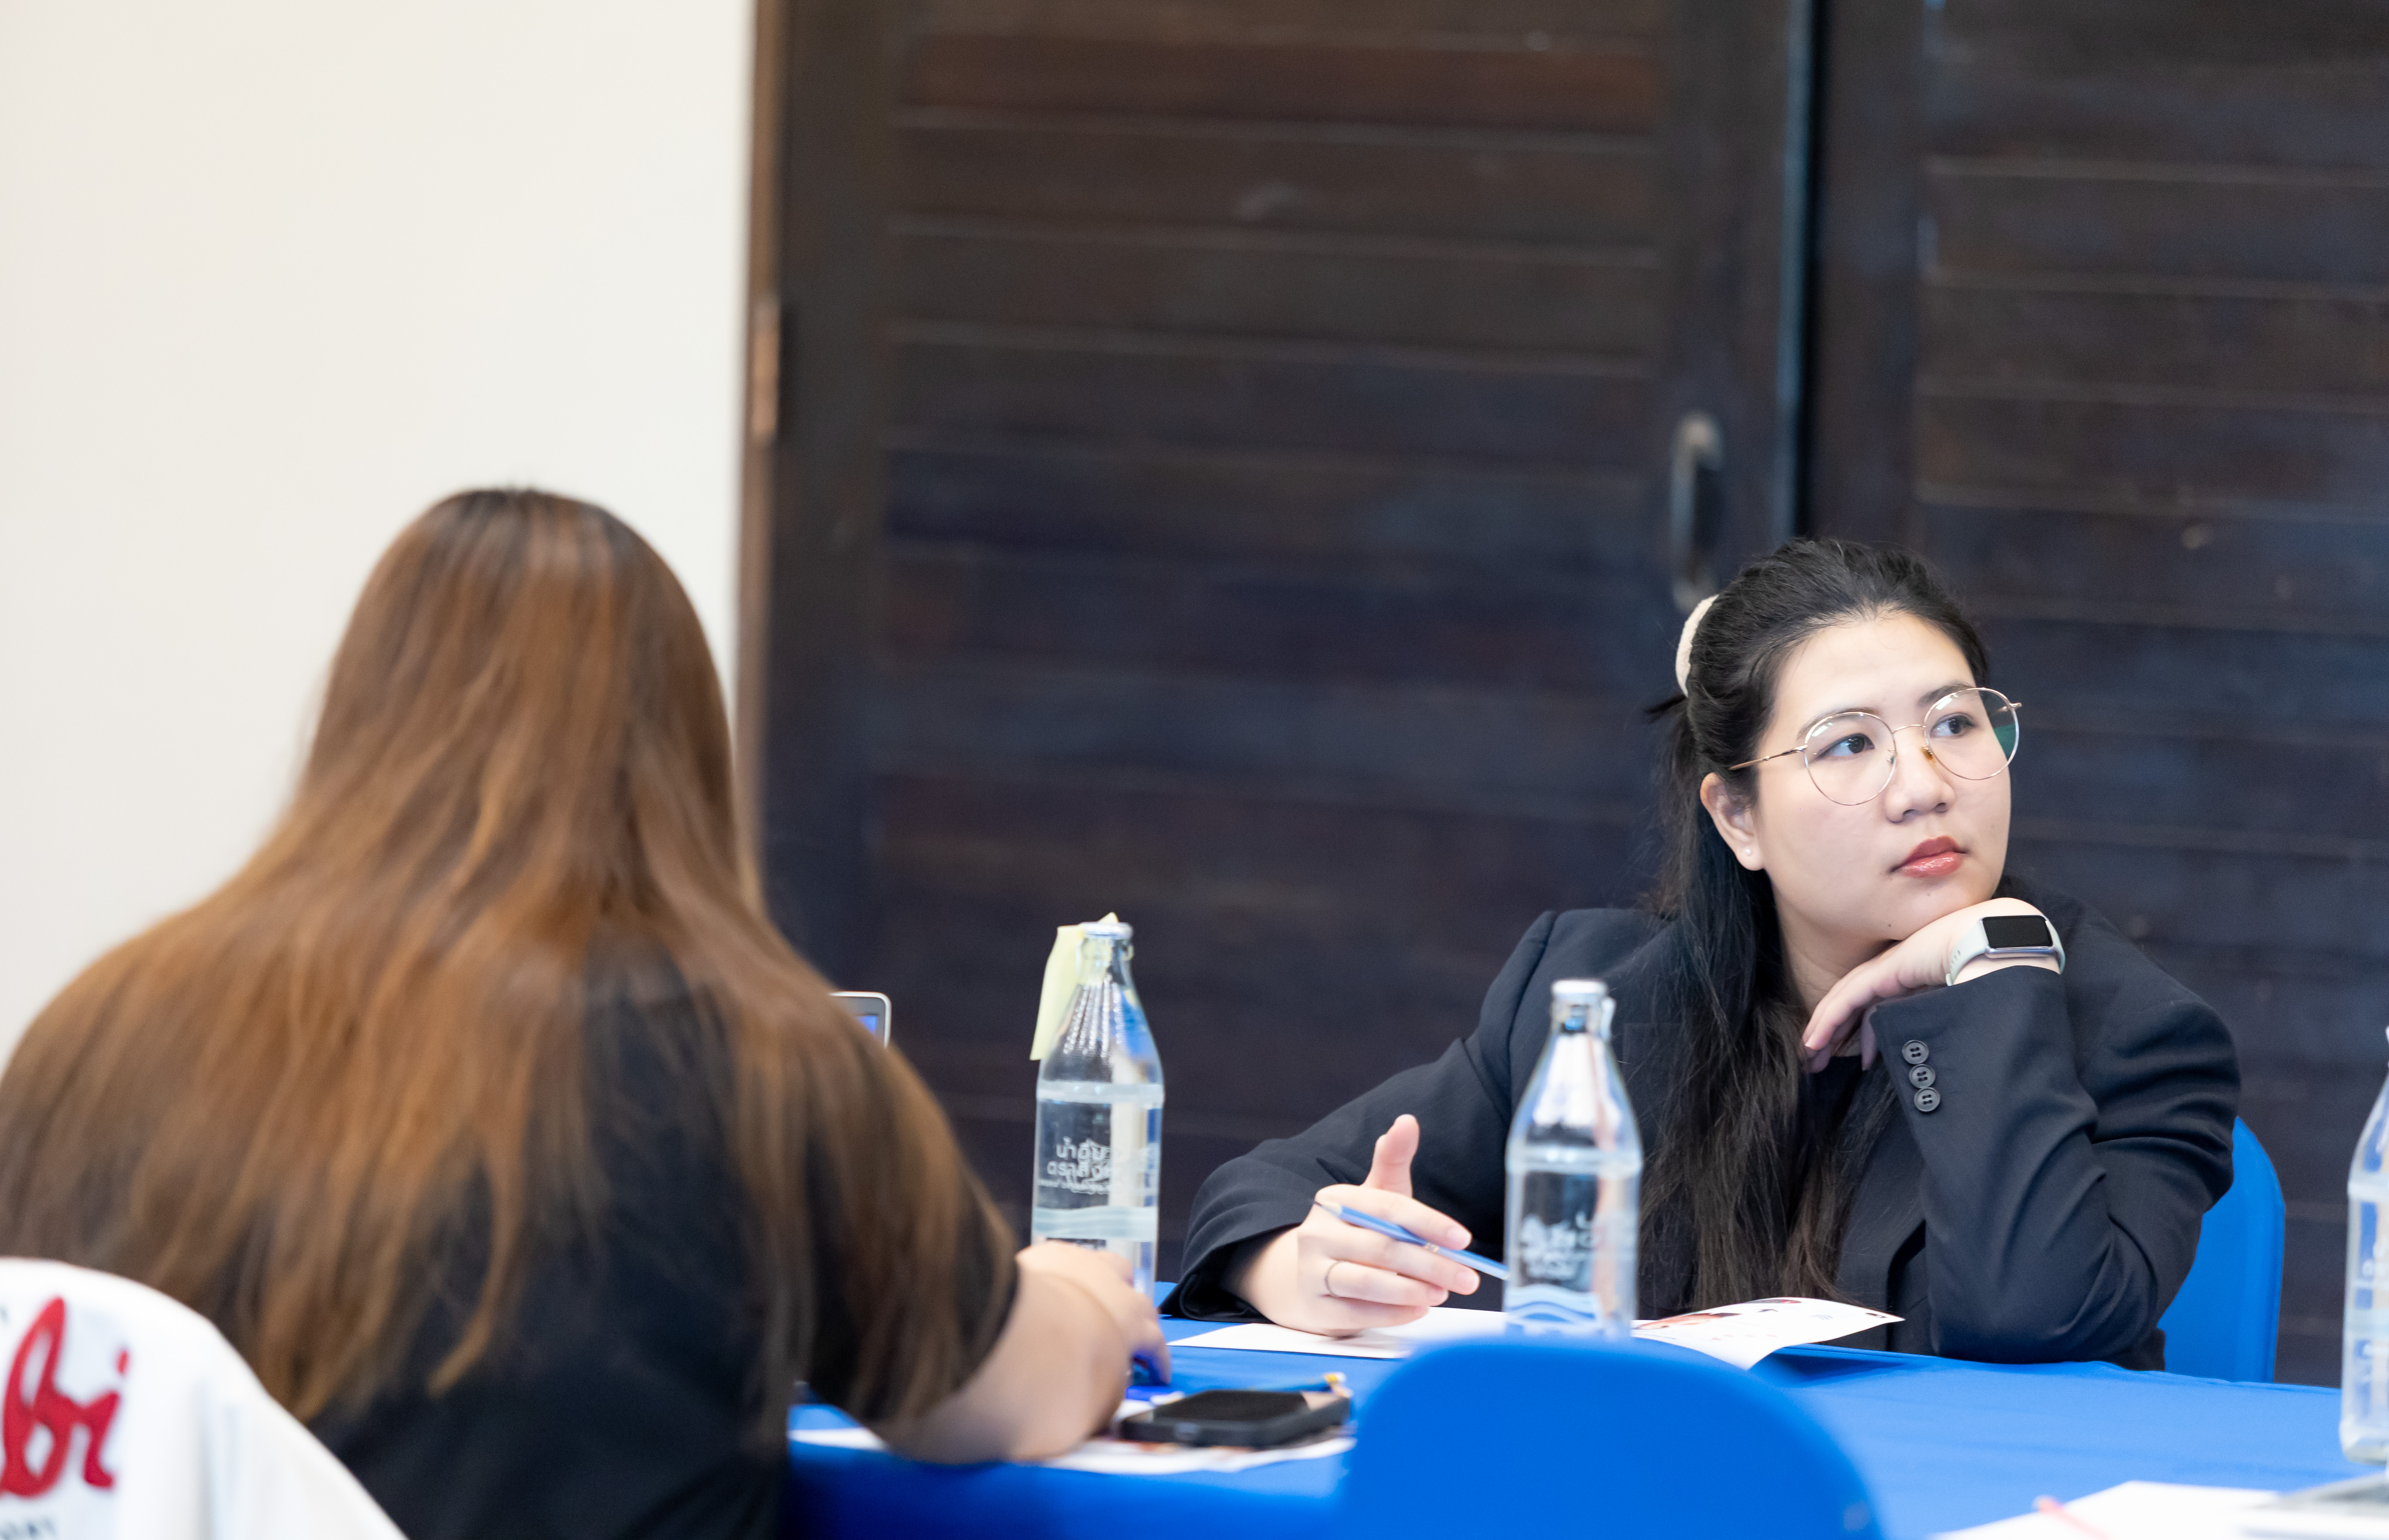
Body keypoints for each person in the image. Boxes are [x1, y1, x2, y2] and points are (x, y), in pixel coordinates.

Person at [0, 490, 1165, 1539]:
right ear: (677, 760)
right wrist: (1086, 1302)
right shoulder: (756, 1058)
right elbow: (1001, 1400)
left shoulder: (92, 1034)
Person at [1165, 539, 2238, 1369]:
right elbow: (1261, 1193)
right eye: (1850, 745)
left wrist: (1989, 973)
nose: (1923, 785)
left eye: (1955, 725)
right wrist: (1299, 1263)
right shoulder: (1597, 1002)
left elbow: (2032, 1320)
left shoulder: (2137, 1035)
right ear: (1737, 819)